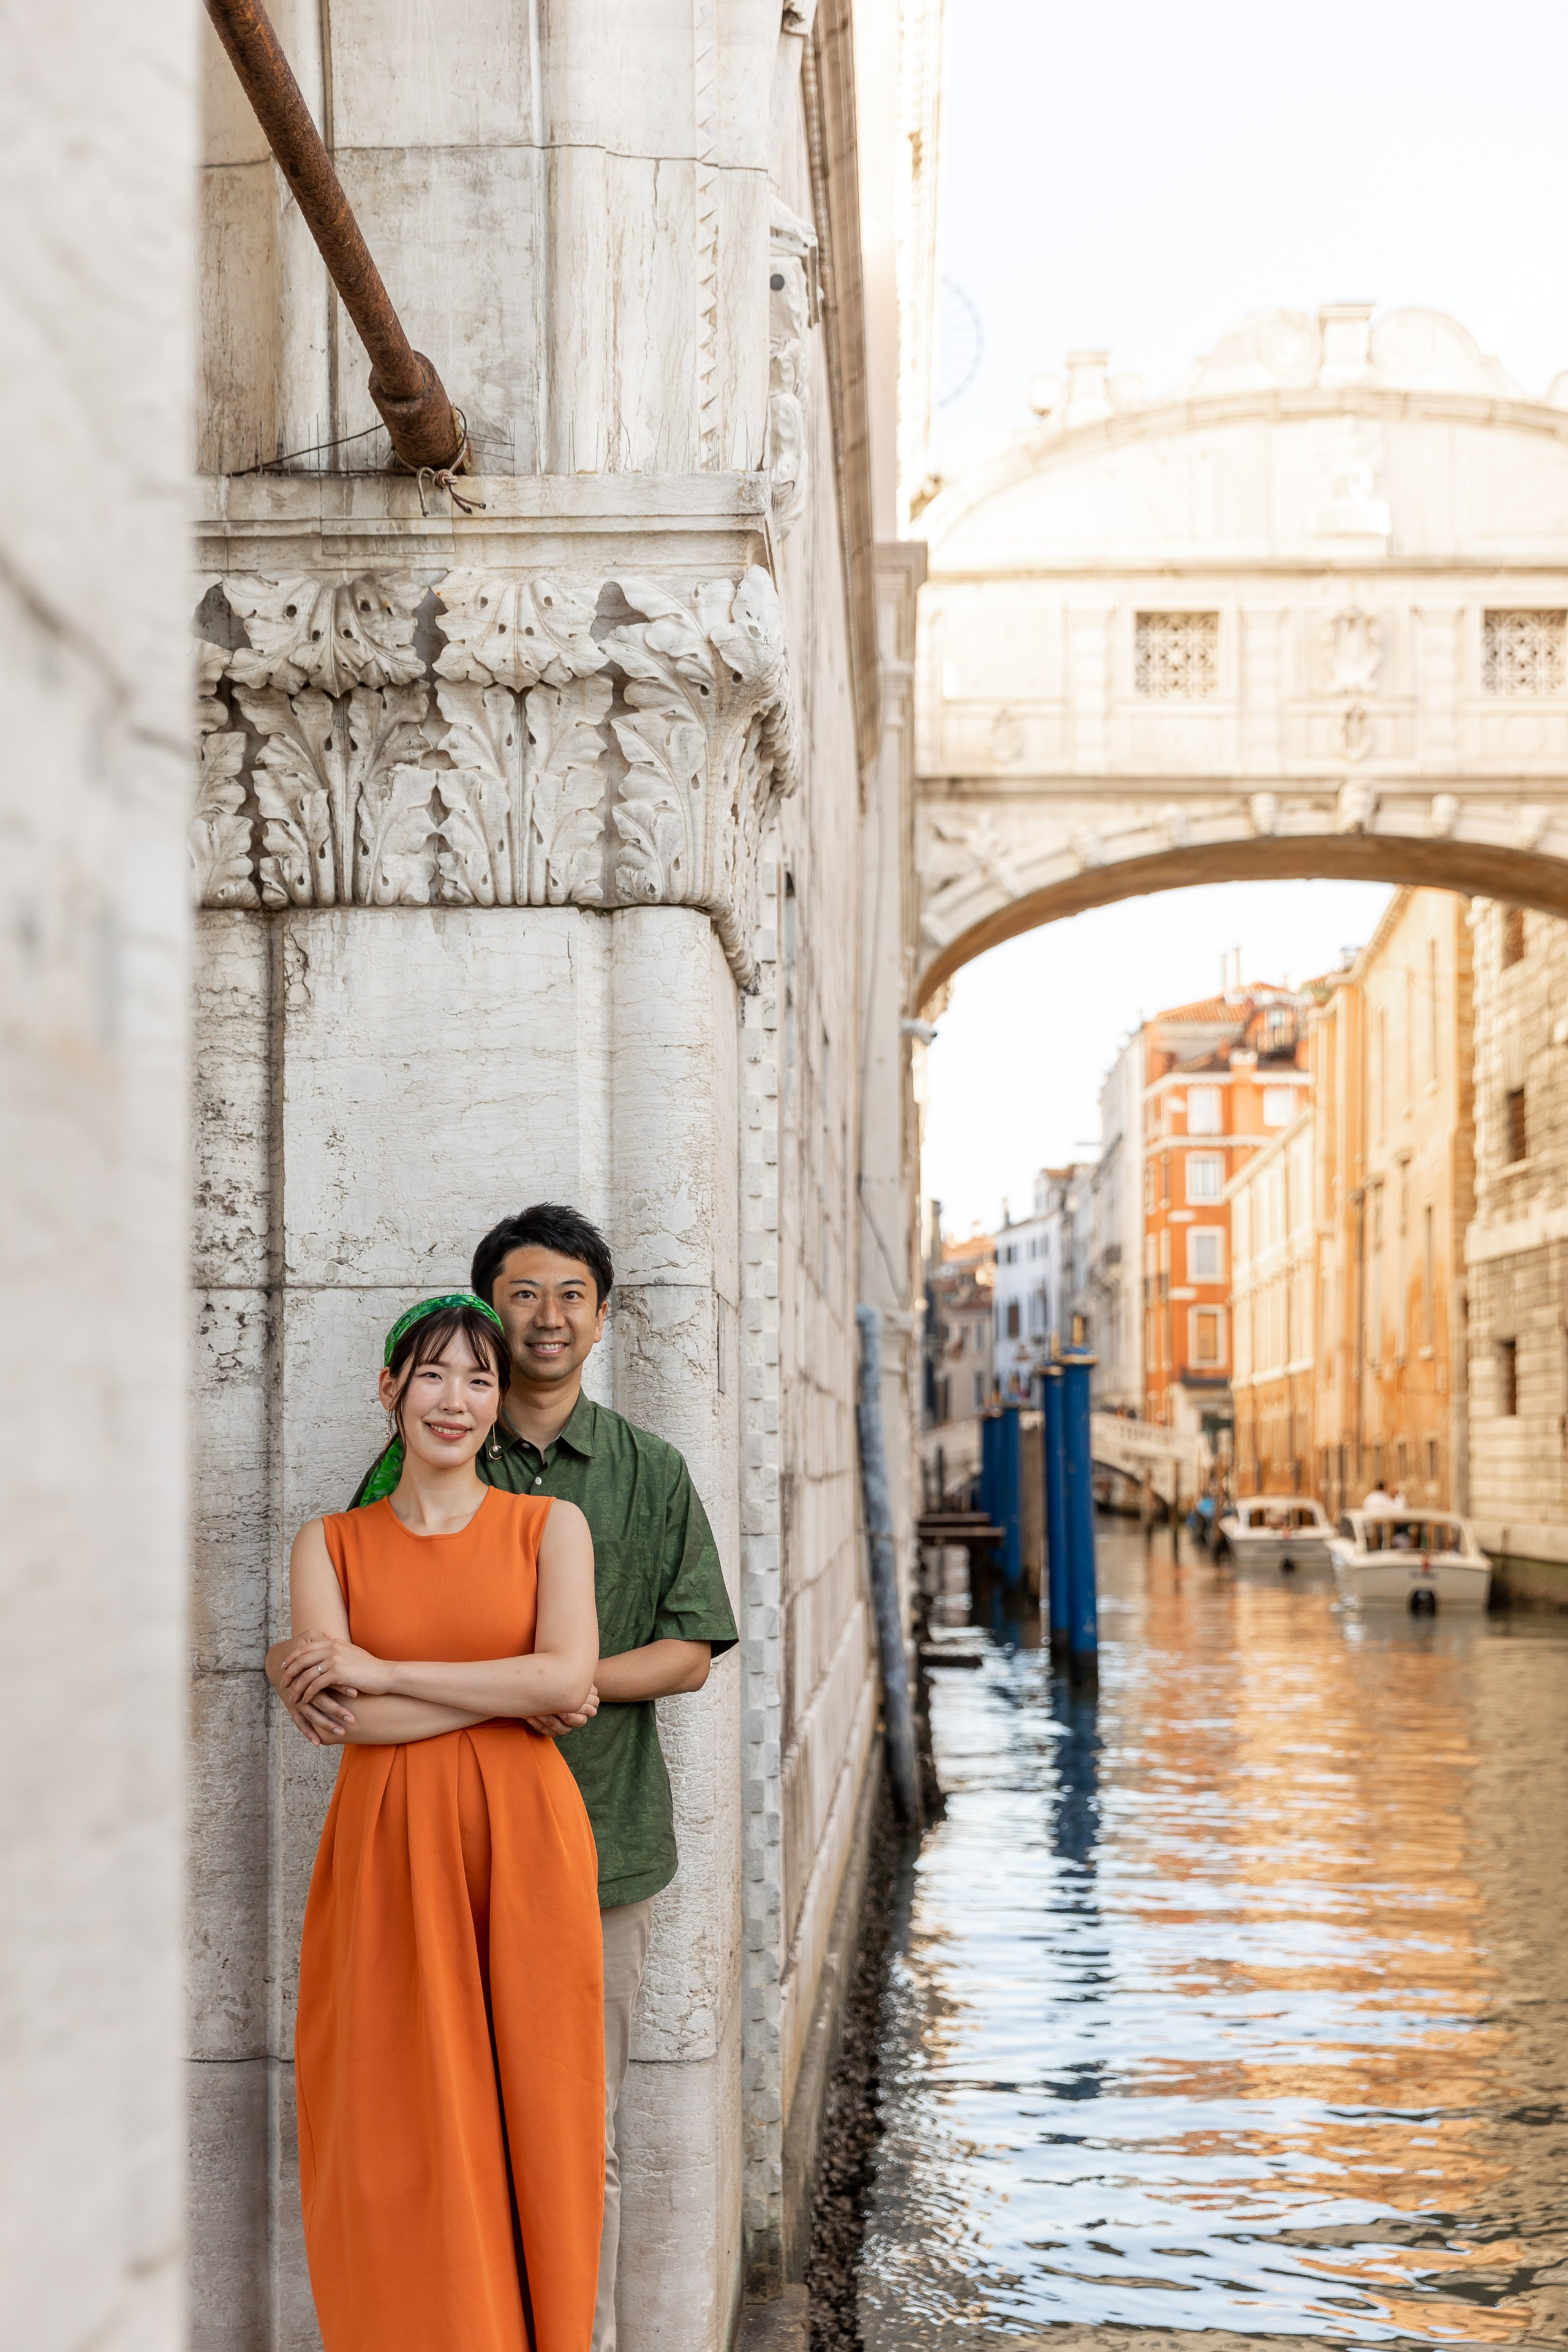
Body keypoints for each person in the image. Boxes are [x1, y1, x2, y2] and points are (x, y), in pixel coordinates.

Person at [272, 1207, 738, 2352]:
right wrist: (522, 1682)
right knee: (410, 2124)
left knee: (574, 2138)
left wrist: (559, 1681)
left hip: (587, 1836)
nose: (548, 1317)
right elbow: (349, 1692)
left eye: (571, 1295)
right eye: (523, 1295)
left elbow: (687, 1650)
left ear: (602, 1316)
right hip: (407, 1848)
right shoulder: (371, 1500)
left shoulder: (632, 1476)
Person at [271, 1291, 604, 2352]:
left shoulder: (552, 1526)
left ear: (500, 1405)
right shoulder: (327, 1545)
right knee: (392, 2127)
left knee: (538, 2120)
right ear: (390, 1391)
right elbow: (349, 1714)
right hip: (385, 1857)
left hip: (527, 1852)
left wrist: (389, 1668)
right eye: (432, 1375)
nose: (455, 1400)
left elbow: (571, 1673)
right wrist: (505, 1689)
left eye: (480, 1379)